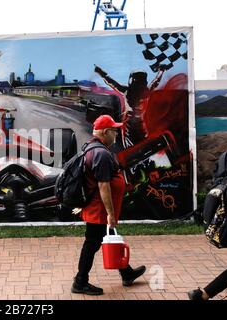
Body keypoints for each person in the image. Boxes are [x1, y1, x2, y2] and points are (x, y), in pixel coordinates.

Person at [71, 114, 146, 295]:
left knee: (110, 236)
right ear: (105, 132)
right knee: (92, 244)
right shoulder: (101, 153)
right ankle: (80, 282)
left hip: (98, 207)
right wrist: (110, 213)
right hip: (100, 209)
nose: (117, 134)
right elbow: (103, 185)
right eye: (114, 130)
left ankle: (126, 272)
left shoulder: (91, 148)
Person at [94, 64, 165, 149]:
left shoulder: (128, 90)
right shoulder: (145, 90)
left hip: (134, 122)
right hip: (140, 122)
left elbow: (111, 82)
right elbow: (155, 81)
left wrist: (100, 72)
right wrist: (161, 71)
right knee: (140, 144)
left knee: (133, 146)